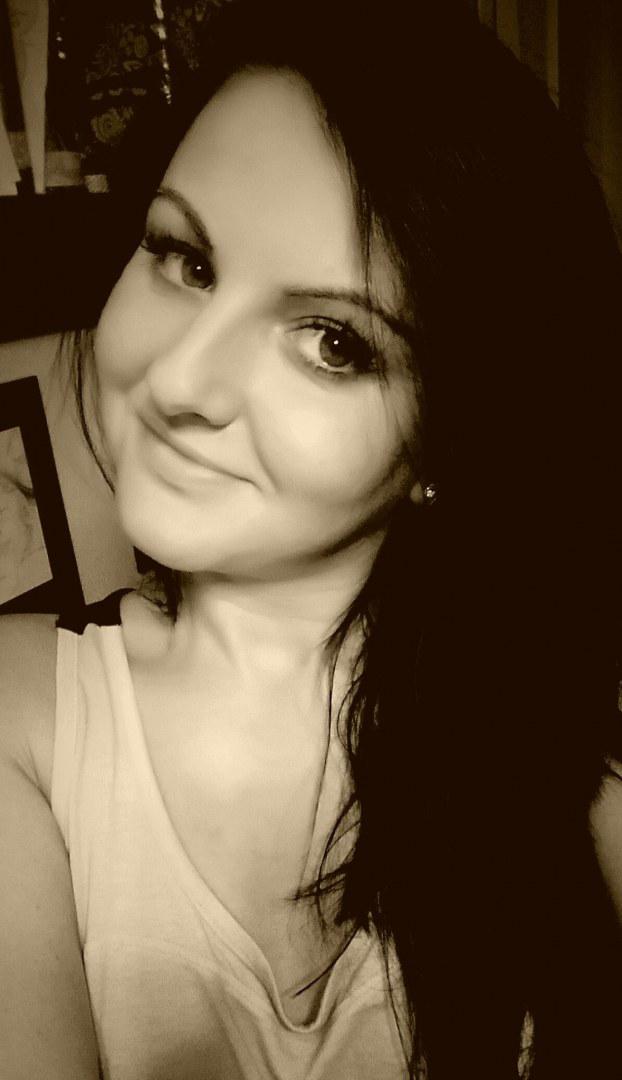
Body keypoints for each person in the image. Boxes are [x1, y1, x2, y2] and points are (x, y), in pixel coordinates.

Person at [1, 1, 621, 1077]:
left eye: (334, 342)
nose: (180, 381)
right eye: (185, 260)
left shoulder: (567, 750)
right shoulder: (25, 723)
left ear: (450, 436)